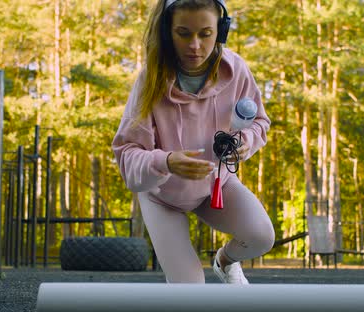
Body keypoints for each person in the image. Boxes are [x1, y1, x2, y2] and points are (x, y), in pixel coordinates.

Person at [112, 0, 274, 284]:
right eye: (183, 33)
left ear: (221, 31)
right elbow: (127, 154)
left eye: (206, 33)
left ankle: (224, 262)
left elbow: (260, 121)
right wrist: (167, 161)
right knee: (191, 291)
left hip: (215, 186)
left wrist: (246, 140)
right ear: (166, 32)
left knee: (262, 237)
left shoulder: (236, 70)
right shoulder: (150, 81)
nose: (195, 46)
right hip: (161, 196)